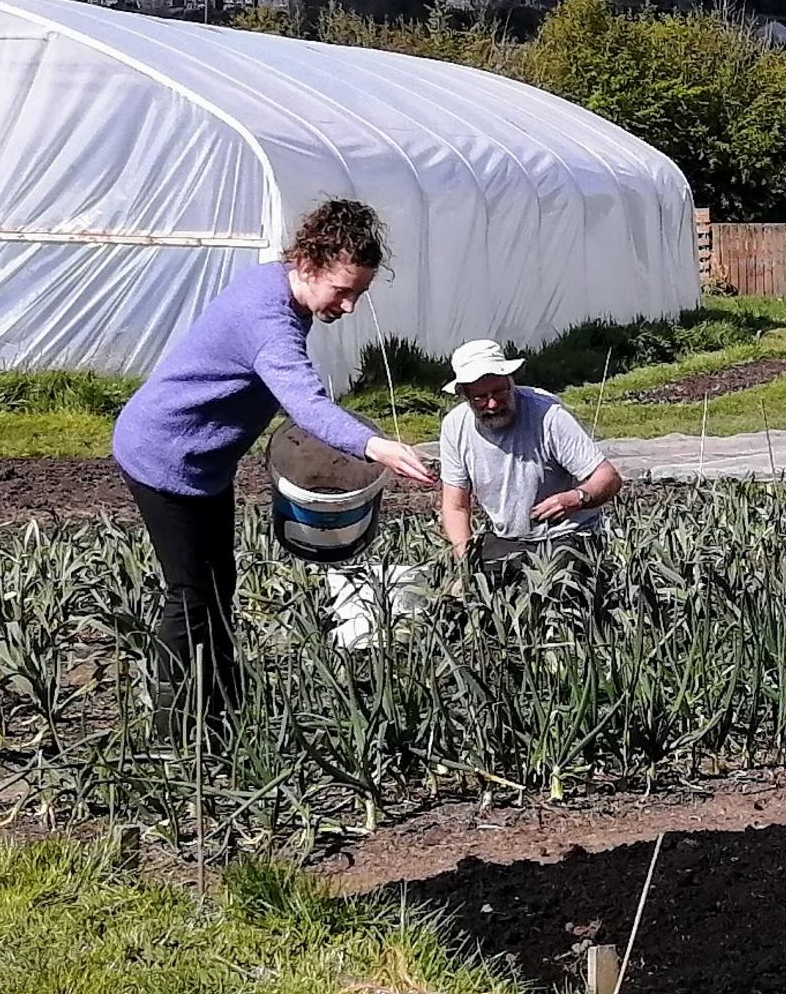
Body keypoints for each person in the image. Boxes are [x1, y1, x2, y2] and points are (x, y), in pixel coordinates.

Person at [111, 199, 438, 689]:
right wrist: (376, 446)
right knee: (191, 594)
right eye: (343, 291)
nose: (348, 307)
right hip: (164, 455)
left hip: (203, 462)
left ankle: (219, 698)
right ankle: (178, 727)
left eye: (359, 295)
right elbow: (305, 405)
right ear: (308, 264)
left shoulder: (277, 282)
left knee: (217, 584)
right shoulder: (269, 321)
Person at [433, 337, 622, 584]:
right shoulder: (455, 427)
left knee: (550, 596)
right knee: (464, 604)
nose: (492, 404)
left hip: (566, 536)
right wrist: (466, 563)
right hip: (509, 540)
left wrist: (576, 498)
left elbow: (608, 478)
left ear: (511, 381)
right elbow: (456, 506)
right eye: (480, 397)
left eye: (500, 391)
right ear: (464, 395)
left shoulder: (548, 416)